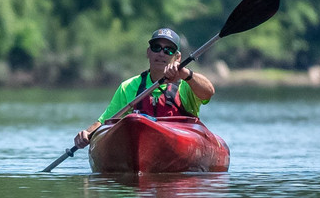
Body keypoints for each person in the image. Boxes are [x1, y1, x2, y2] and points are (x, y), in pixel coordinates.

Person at [74, 27, 216, 148]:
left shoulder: (186, 84)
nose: (161, 53)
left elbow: (208, 93)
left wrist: (186, 74)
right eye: (156, 48)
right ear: (148, 52)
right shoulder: (129, 87)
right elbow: (105, 121)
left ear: (178, 57)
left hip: (179, 146)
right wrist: (87, 134)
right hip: (140, 147)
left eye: (168, 50)